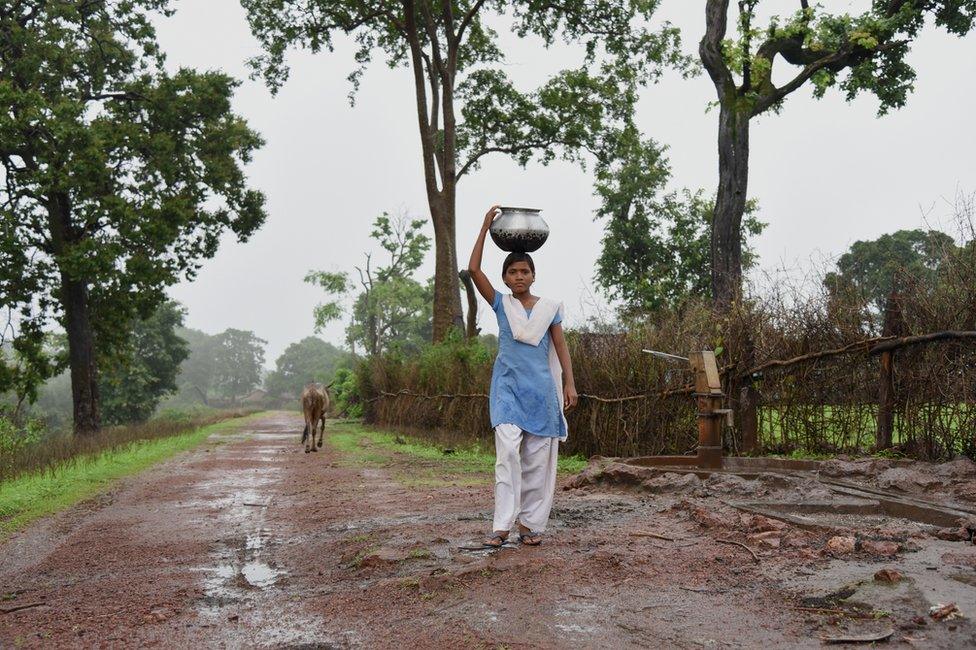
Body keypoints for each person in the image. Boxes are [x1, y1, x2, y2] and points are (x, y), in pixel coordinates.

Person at [467, 205, 578, 547]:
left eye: (524, 271)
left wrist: (570, 385)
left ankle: (529, 525)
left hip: (542, 392)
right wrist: (485, 227)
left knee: (536, 463)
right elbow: (473, 269)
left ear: (533, 275)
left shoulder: (550, 308)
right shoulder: (501, 304)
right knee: (508, 455)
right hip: (507, 392)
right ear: (504, 278)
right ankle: (501, 527)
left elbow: (561, 348)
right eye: (512, 272)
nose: (518, 276)